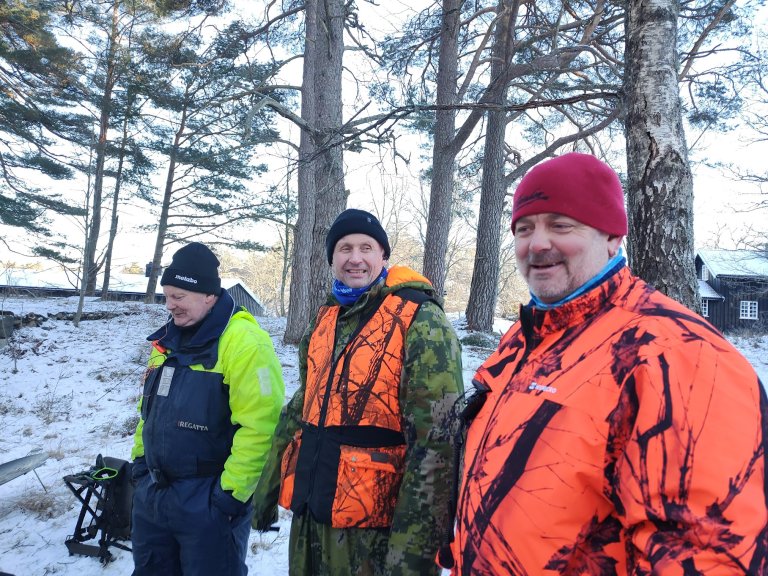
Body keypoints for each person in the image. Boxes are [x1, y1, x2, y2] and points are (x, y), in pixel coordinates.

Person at [443, 153, 768, 574]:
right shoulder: (525, 339)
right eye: (525, 228)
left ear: (612, 236)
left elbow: (707, 555)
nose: (537, 243)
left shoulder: (677, 355)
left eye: (560, 225)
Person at [251, 208, 464, 575]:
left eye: (366, 247)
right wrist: (266, 490)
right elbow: (301, 408)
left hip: (373, 534)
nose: (355, 258)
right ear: (332, 258)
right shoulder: (325, 320)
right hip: (311, 519)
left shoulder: (420, 319)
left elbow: (437, 445)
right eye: (344, 248)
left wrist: (413, 557)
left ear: (384, 256)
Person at [130, 242, 284, 576]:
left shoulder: (244, 342)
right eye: (167, 296)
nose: (170, 305)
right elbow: (149, 411)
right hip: (154, 496)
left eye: (179, 297)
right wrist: (140, 465)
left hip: (208, 502)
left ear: (209, 296)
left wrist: (230, 495)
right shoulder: (166, 340)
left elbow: (261, 426)